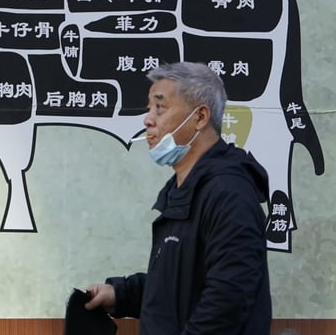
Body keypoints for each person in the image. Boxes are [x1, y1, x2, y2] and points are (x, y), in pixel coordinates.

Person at [83, 61, 272, 334]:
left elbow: (226, 302)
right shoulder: (183, 190)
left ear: (200, 117)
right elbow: (177, 287)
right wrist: (120, 295)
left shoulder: (229, 194)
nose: (148, 120)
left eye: (160, 107)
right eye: (149, 108)